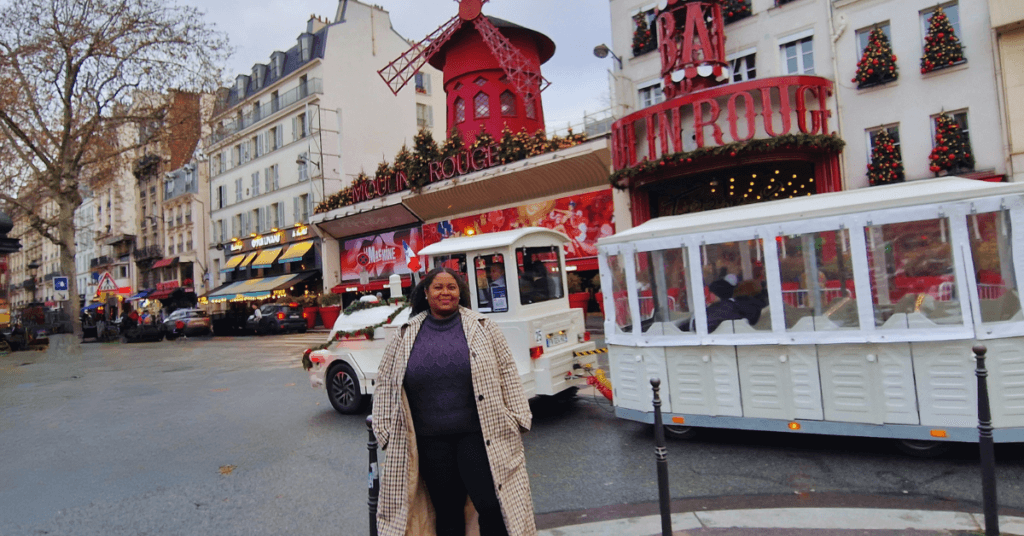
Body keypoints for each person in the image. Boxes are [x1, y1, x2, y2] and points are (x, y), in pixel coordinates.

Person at [372, 267, 535, 536]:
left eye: (452, 287)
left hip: (478, 436)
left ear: (460, 292)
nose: (445, 292)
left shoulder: (483, 326)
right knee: (447, 512)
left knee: (492, 506)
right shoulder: (405, 333)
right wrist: (384, 430)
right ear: (425, 293)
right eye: (438, 287)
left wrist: (519, 416)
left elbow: (507, 369)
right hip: (430, 440)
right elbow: (386, 382)